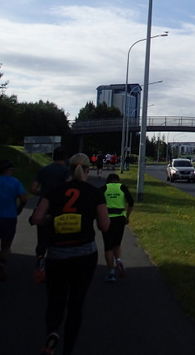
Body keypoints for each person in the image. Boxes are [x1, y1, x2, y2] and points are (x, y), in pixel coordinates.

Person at [31, 153, 109, 355]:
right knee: (76, 303)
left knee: (56, 299)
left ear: (69, 169)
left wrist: (55, 220)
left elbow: (37, 218)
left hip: (57, 254)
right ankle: (69, 349)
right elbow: (104, 225)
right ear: (87, 170)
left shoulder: (55, 191)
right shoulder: (94, 192)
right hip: (85, 255)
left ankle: (52, 332)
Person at [29, 145, 70, 283]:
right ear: (65, 158)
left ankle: (40, 260)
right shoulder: (66, 171)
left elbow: (33, 188)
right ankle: (55, 268)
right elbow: (68, 189)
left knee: (42, 239)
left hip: (42, 207)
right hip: (59, 209)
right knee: (58, 239)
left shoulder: (43, 170)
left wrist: (44, 192)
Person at [100, 173, 134, 282]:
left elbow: (97, 203)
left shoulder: (103, 188)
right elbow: (131, 202)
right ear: (117, 180)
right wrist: (127, 216)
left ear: (108, 181)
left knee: (108, 245)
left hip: (108, 218)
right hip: (120, 218)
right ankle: (118, 261)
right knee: (117, 243)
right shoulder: (122, 187)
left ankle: (111, 272)